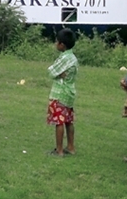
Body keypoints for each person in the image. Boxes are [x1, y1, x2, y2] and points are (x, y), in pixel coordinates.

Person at [47, 29, 78, 157]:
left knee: (59, 121)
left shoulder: (65, 58)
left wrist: (57, 73)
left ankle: (59, 150)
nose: (55, 44)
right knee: (68, 120)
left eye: (57, 42)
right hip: (70, 92)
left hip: (60, 92)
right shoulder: (73, 57)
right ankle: (70, 147)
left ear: (62, 45)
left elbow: (51, 71)